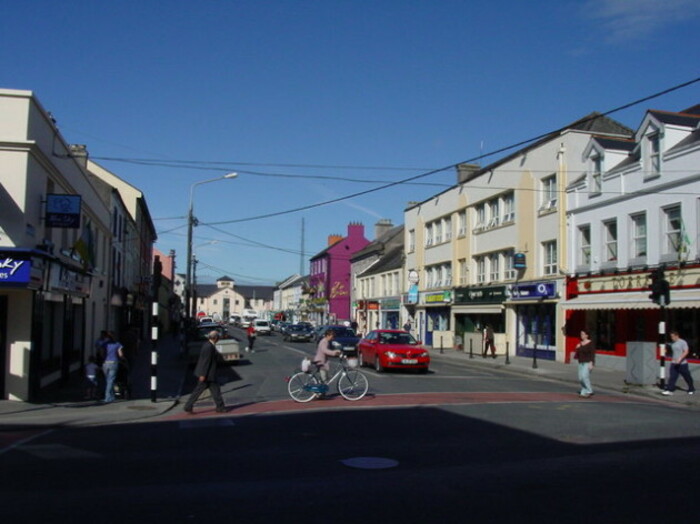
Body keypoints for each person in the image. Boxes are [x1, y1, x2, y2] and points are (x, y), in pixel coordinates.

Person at [184, 330, 227, 414]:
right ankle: (188, 406)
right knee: (199, 391)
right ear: (215, 338)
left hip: (210, 374)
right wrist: (203, 374)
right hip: (207, 375)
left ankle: (220, 407)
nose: (218, 339)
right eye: (218, 337)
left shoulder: (208, 345)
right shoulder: (209, 347)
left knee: (215, 391)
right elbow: (205, 361)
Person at [662, 330, 695, 396]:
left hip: (682, 364)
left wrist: (680, 359)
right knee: (672, 377)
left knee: (687, 377)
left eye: (673, 336)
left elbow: (686, 351)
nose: (672, 338)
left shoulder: (683, 342)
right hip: (674, 363)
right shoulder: (673, 343)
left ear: (677, 336)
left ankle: (691, 388)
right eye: (671, 337)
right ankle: (670, 390)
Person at [101, 332, 124, 403]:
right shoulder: (118, 344)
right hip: (114, 362)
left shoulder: (105, 344)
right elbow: (120, 354)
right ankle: (107, 397)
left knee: (108, 380)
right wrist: (123, 359)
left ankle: (111, 396)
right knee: (111, 380)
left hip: (105, 363)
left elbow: (102, 353)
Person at [574, 329, 595, 398]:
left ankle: (589, 390)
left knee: (584, 376)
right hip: (581, 362)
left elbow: (592, 354)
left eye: (583, 334)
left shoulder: (590, 343)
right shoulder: (580, 343)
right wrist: (577, 348)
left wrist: (591, 363)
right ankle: (584, 391)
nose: (581, 335)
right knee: (580, 378)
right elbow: (577, 353)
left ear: (587, 335)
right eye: (581, 334)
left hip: (587, 362)